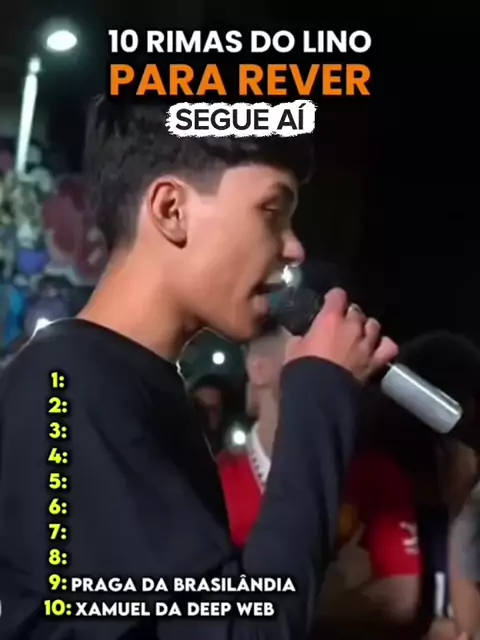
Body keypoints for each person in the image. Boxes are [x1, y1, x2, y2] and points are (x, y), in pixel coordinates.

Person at [0, 97, 397, 639]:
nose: (294, 248)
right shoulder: (70, 386)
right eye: (271, 210)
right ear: (171, 210)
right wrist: (321, 390)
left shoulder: (124, 383)